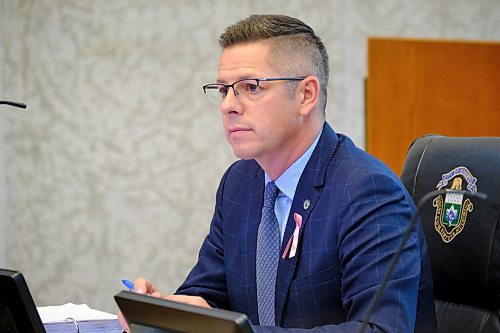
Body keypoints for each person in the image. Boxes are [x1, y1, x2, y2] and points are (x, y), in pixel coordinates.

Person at [120, 14, 437, 332]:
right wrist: (169, 315)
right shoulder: (239, 182)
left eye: (250, 87)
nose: (228, 105)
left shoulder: (368, 191)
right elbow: (210, 294)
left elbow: (381, 329)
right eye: (223, 90)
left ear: (306, 95)